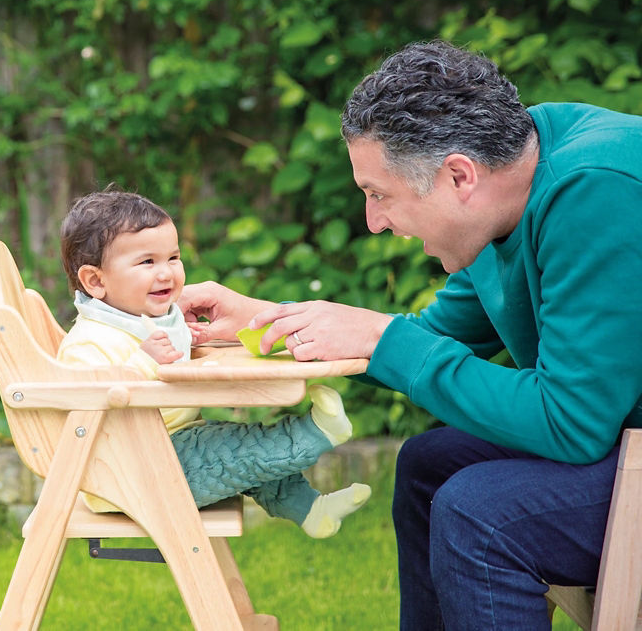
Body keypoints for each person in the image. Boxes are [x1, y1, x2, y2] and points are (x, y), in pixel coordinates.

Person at [180, 39, 642, 629]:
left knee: (481, 513)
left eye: (378, 195)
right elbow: (429, 340)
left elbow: (570, 423)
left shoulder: (594, 190)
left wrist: (381, 338)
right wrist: (264, 319)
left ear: (457, 175)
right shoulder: (509, 189)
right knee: (429, 466)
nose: (374, 222)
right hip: (620, 434)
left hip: (622, 442)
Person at [57, 188, 371, 538]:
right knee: (236, 450)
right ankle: (313, 435)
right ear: (96, 281)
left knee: (237, 456)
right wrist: (143, 361)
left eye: (173, 258)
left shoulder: (144, 318)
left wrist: (188, 342)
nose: (166, 273)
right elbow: (87, 403)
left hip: (167, 446)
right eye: (148, 262)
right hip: (131, 474)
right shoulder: (87, 342)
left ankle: (311, 510)